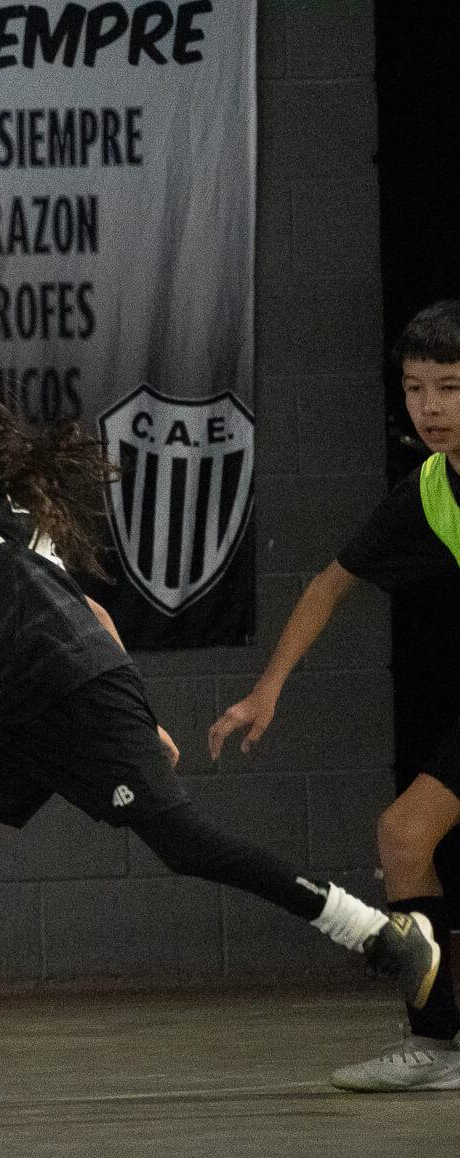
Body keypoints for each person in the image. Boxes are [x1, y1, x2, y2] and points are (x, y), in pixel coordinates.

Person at [0, 356, 440, 1101]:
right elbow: (89, 609)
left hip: (73, 693)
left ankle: (379, 933)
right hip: (37, 705)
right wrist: (143, 710)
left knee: (185, 845)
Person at [212, 299, 460, 1091]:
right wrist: (268, 688)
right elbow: (328, 585)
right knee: (405, 837)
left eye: (450, 387)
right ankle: (439, 1043)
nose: (430, 407)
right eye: (415, 388)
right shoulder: (428, 491)